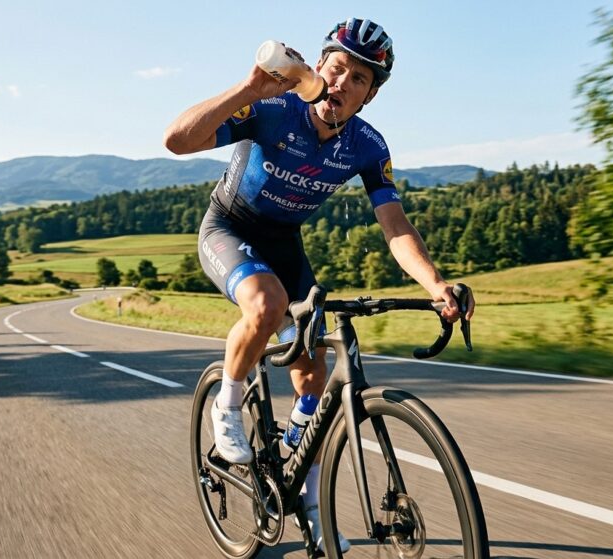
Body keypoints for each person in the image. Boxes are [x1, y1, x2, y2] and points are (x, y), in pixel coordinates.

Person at [164, 18, 474, 552]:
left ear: (370, 95)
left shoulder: (367, 146)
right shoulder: (274, 109)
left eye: (359, 79)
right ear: (319, 67)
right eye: (337, 69)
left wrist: (435, 284)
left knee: (314, 375)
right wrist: (249, 89)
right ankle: (227, 406)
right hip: (229, 229)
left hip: (284, 245)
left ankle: (308, 505)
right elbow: (176, 140)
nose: (342, 83)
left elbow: (396, 227)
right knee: (266, 304)